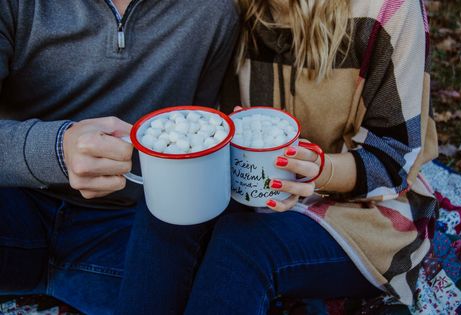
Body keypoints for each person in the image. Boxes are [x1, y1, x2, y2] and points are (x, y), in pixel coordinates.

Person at [180, 0, 439, 313]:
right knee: (174, 215)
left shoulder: (390, 9)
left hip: (364, 209)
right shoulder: (234, 8)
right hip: (256, 190)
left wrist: (317, 170)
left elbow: (394, 159)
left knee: (241, 247)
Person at [0, 0, 239, 314]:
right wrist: (58, 148)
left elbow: (199, 130)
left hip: (128, 229)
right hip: (18, 206)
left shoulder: (214, 12)